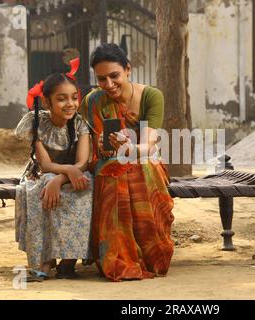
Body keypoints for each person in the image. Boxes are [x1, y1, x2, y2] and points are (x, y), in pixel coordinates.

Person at [79, 43, 174, 281]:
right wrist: (99, 146)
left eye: (114, 76)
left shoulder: (151, 96)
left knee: (140, 167)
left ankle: (151, 253)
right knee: (113, 171)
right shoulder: (93, 101)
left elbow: (150, 143)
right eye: (101, 79)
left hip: (144, 157)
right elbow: (89, 148)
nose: (109, 85)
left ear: (128, 70)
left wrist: (132, 149)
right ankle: (118, 255)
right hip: (108, 161)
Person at [15, 59, 93, 281]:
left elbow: (83, 162)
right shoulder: (36, 121)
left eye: (74, 97)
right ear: (46, 101)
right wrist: (60, 175)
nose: (70, 104)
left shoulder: (79, 123)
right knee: (40, 188)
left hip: (72, 174)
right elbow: (45, 164)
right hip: (42, 172)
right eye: (61, 99)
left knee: (86, 188)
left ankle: (69, 262)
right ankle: (45, 261)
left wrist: (61, 178)